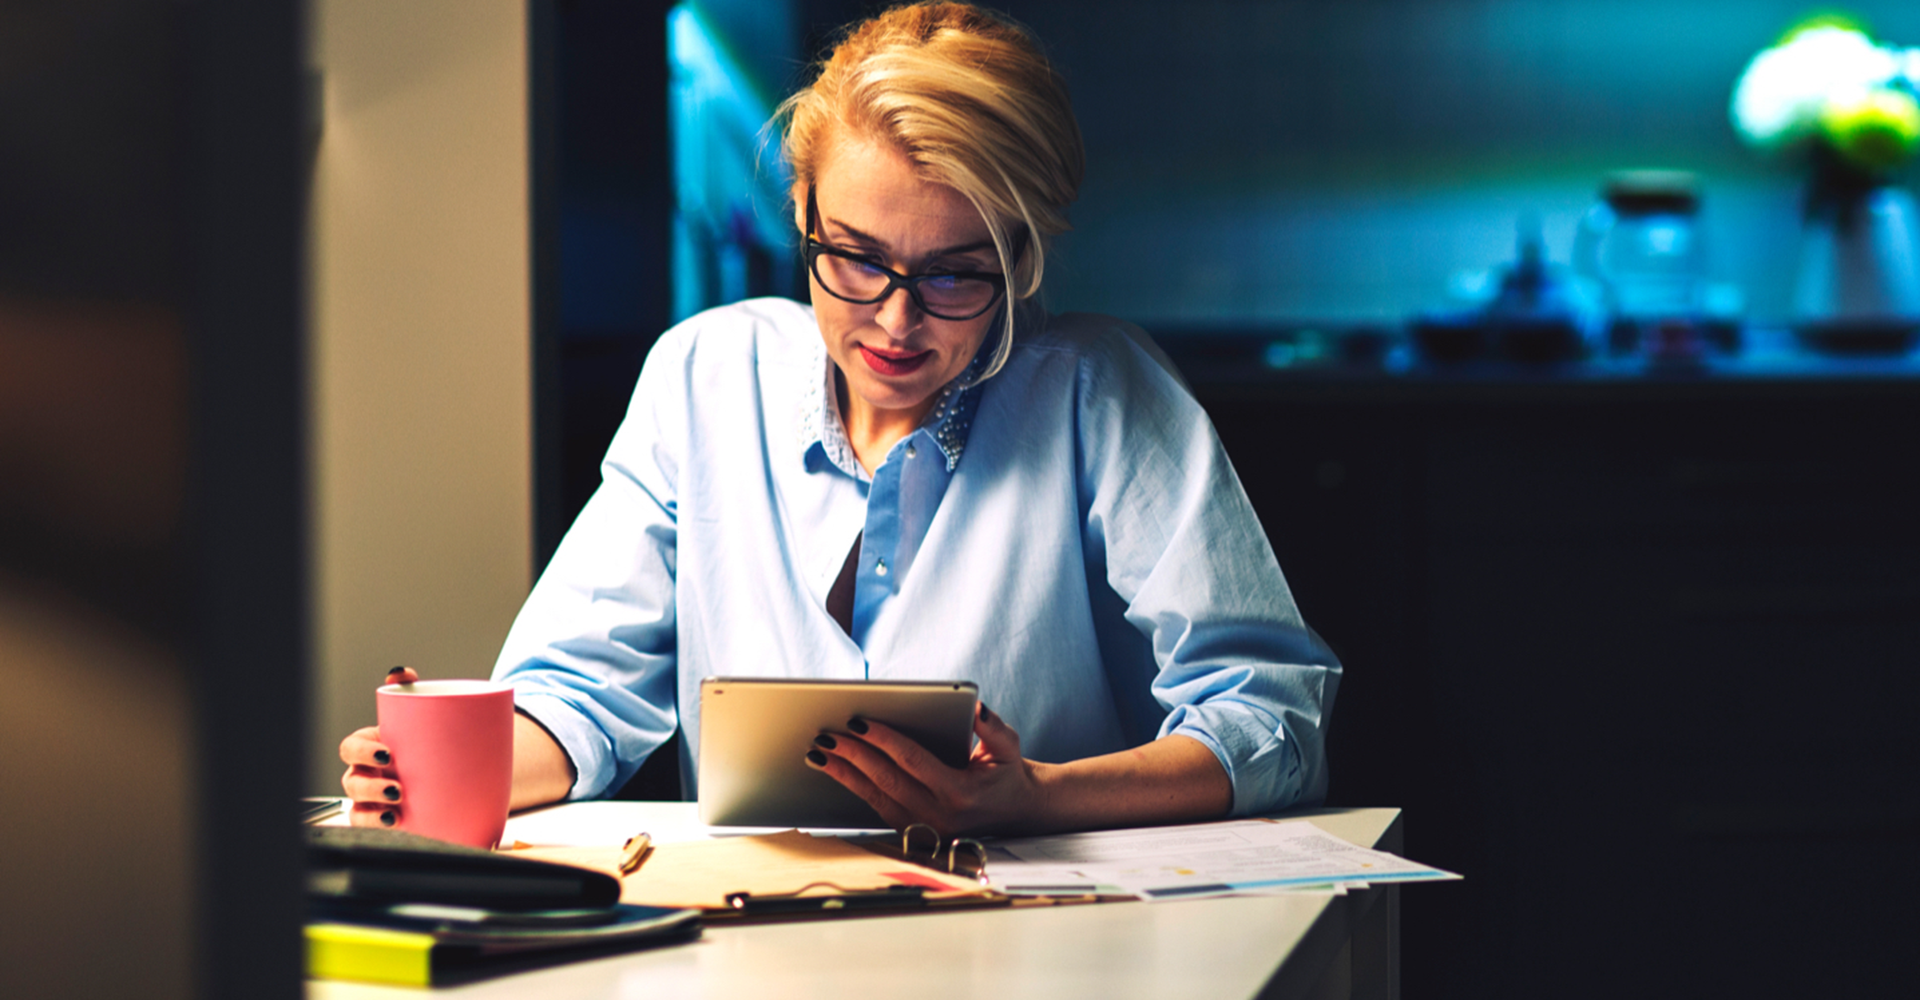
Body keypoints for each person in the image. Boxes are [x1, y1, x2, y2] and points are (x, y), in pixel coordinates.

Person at [341, 1, 1339, 838]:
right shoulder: (706, 374)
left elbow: (1272, 720)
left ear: (1023, 255)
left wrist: (1035, 795)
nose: (897, 320)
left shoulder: (1098, 391)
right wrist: (436, 777)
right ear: (801, 210)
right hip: (760, 943)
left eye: (955, 271)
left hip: (1037, 937)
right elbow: (577, 695)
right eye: (855, 258)